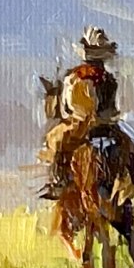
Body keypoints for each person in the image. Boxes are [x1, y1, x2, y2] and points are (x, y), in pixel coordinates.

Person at [40, 26, 123, 197]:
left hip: (82, 123)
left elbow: (69, 107)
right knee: (127, 147)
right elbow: (112, 107)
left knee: (54, 139)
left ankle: (58, 181)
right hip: (108, 124)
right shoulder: (109, 78)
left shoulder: (75, 76)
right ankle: (127, 191)